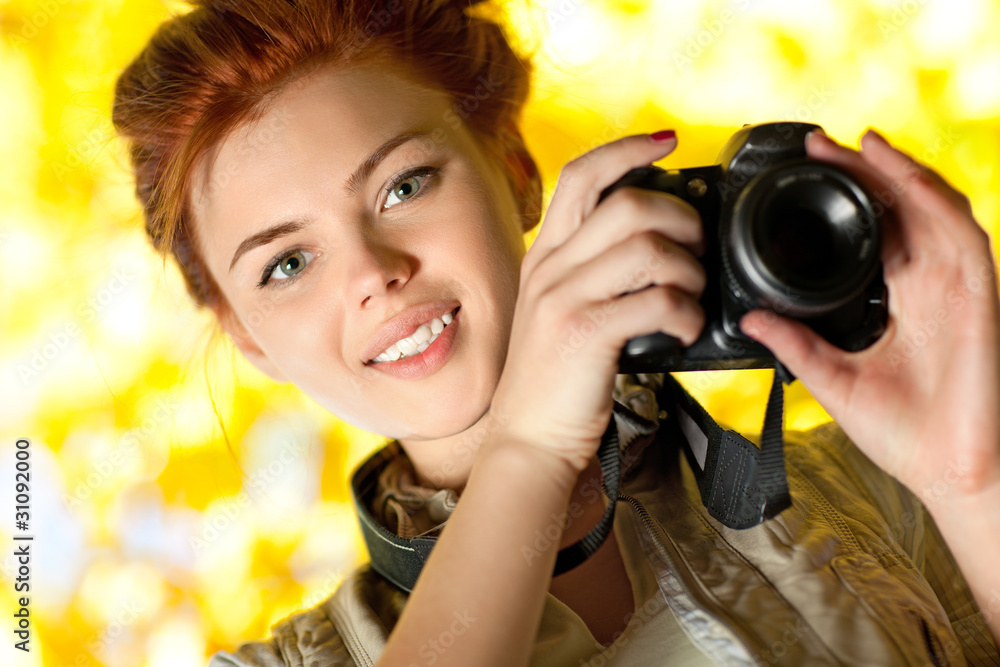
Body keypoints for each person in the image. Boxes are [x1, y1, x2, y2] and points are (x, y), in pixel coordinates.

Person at [112, 0, 1000, 664]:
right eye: (287, 264)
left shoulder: (877, 489)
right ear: (249, 339)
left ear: (516, 174)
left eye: (404, 186)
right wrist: (529, 448)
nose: (374, 274)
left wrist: (974, 482)